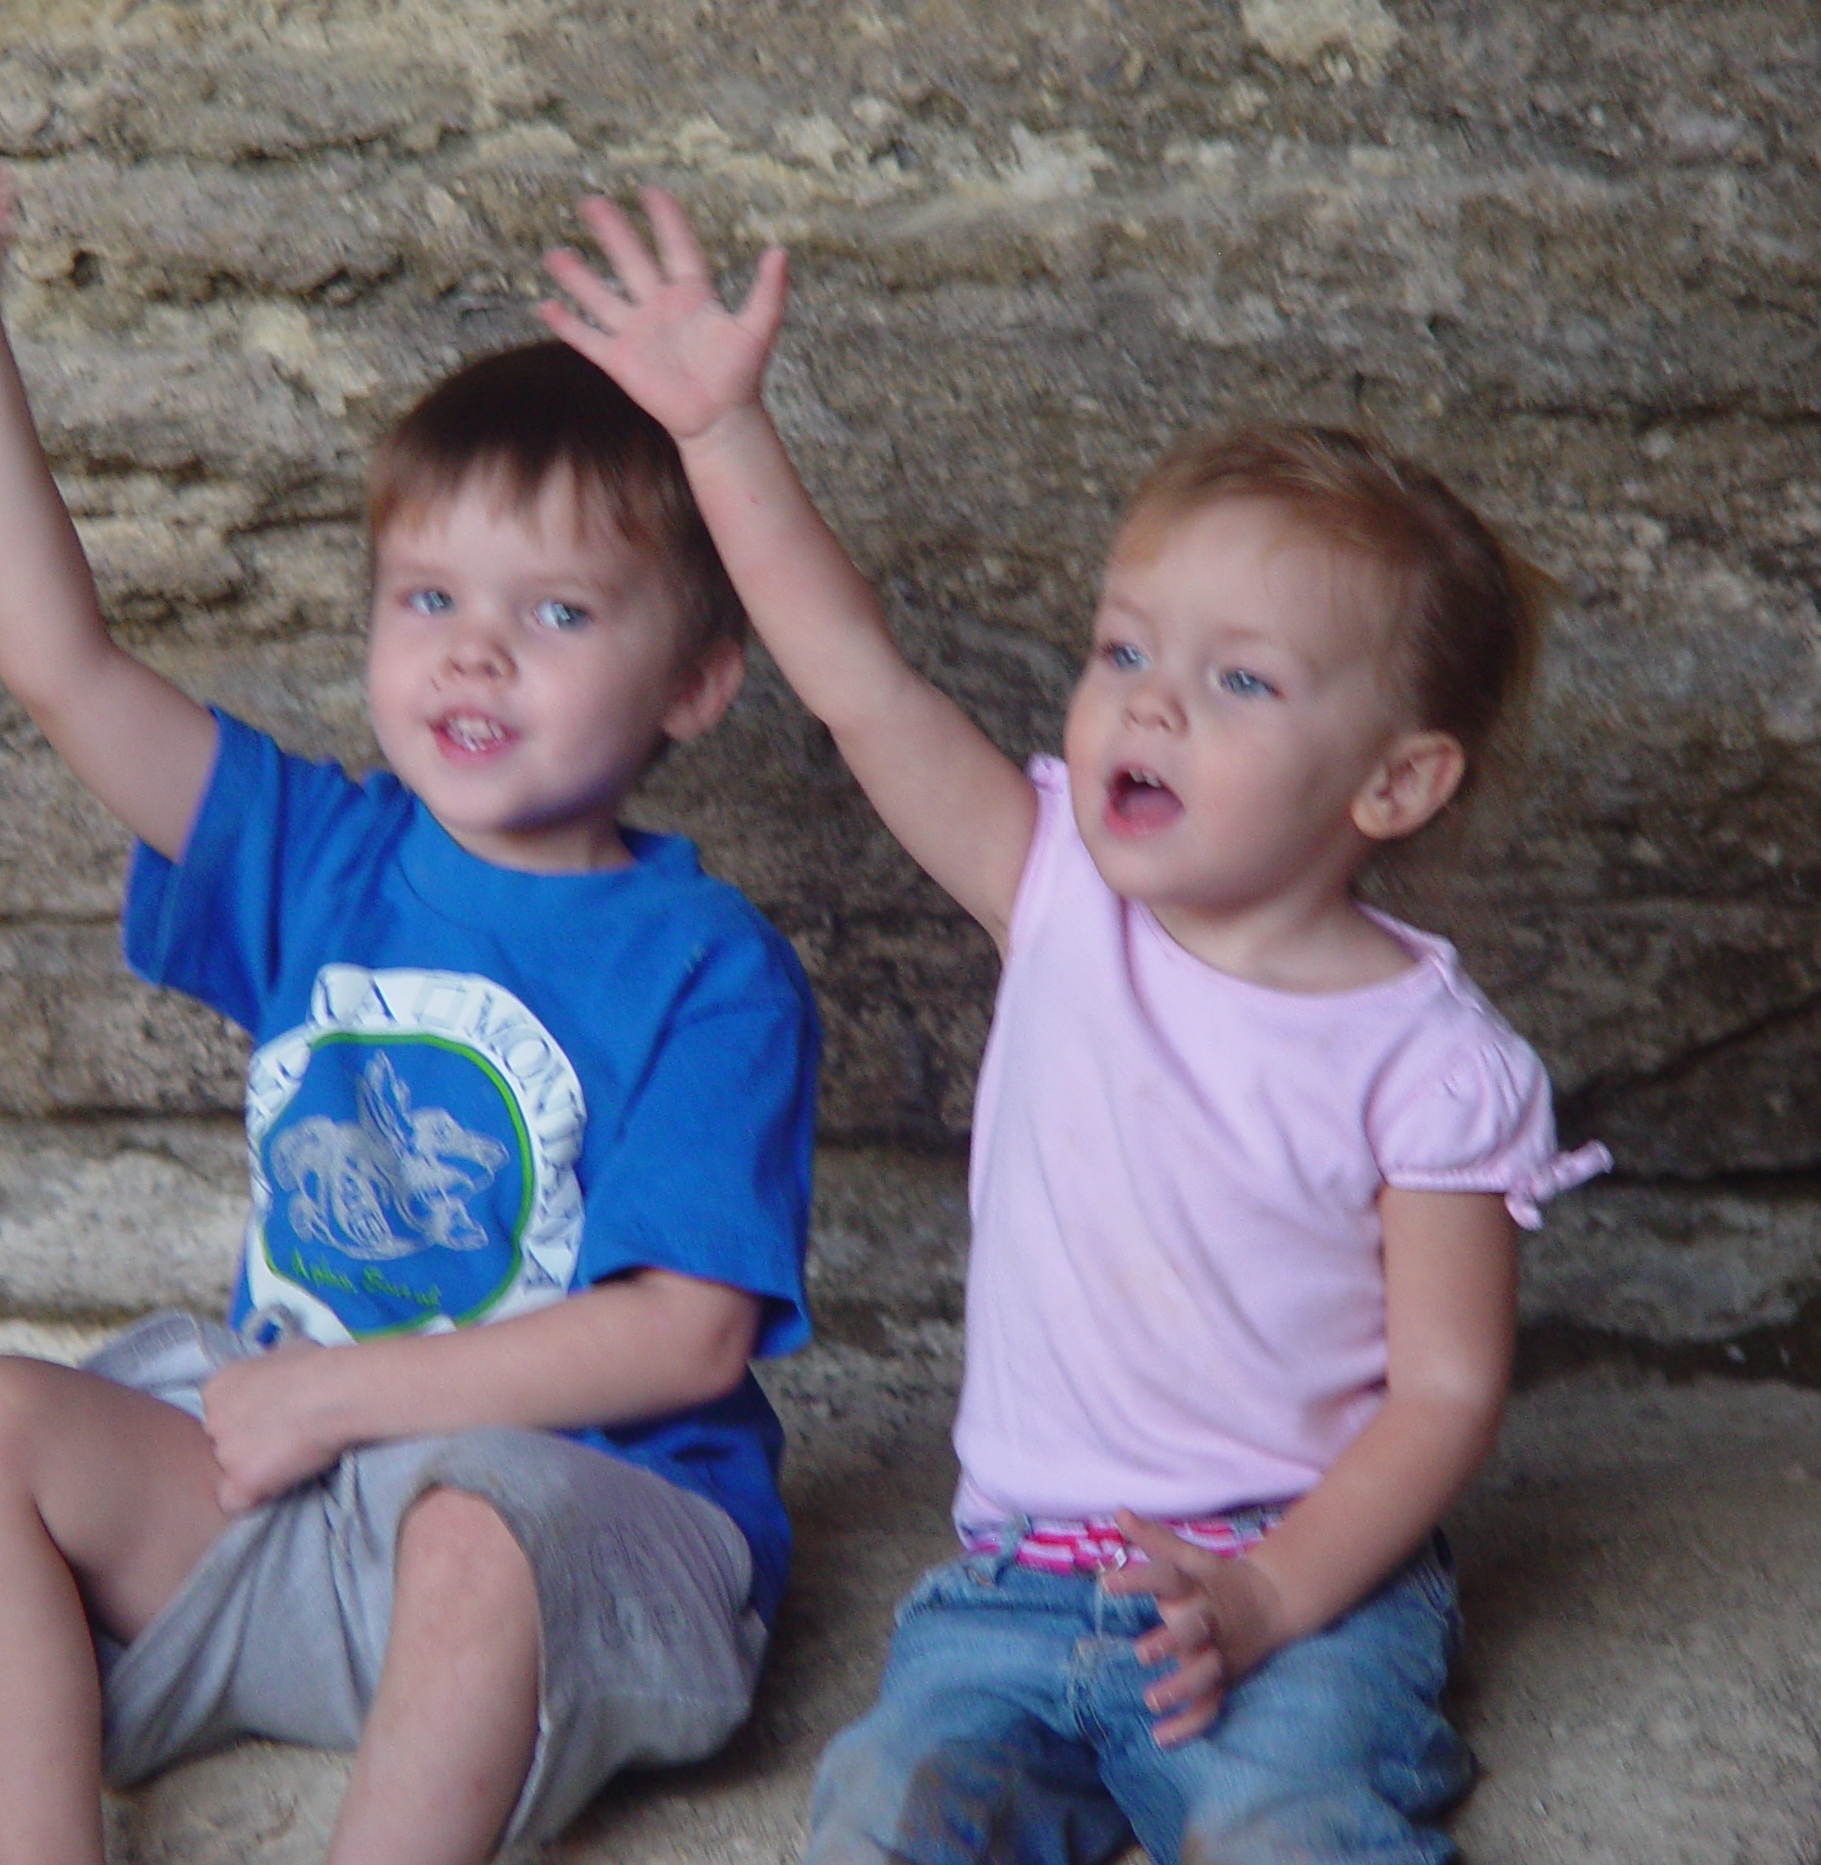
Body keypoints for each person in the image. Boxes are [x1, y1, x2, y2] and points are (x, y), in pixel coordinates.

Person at [539, 189, 1608, 1865]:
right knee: (888, 1807)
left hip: (1299, 1583)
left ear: (1397, 781)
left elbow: (1449, 1393)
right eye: (1124, 647)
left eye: (1242, 680)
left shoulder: (1433, 1061)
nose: (1151, 698)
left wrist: (1270, 1597)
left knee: (1287, 1821)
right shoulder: (1056, 890)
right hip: (1015, 1584)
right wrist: (723, 429)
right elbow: (858, 680)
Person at [0, 146, 819, 1865]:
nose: (473, 653)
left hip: (573, 1532)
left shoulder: (708, 967)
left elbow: (685, 1337)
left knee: (472, 1527)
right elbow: (63, 669)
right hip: (290, 1494)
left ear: (699, 681)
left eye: (556, 612)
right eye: (430, 598)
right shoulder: (312, 854)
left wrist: (345, 1403)